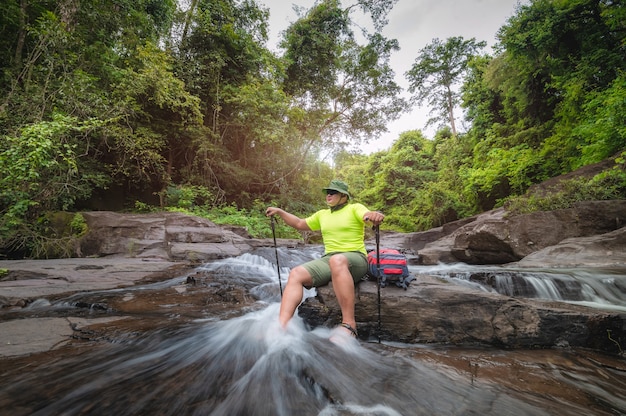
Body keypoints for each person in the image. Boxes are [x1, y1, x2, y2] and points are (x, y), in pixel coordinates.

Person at [265, 180, 384, 338]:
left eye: (333, 192)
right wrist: (280, 211)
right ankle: (282, 325)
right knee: (296, 273)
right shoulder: (322, 214)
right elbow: (300, 223)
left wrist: (373, 215)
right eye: (328, 191)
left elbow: (366, 215)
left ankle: (349, 326)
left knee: (337, 260)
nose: (329, 194)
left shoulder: (354, 208)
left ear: (343, 196)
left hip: (355, 257)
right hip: (330, 259)